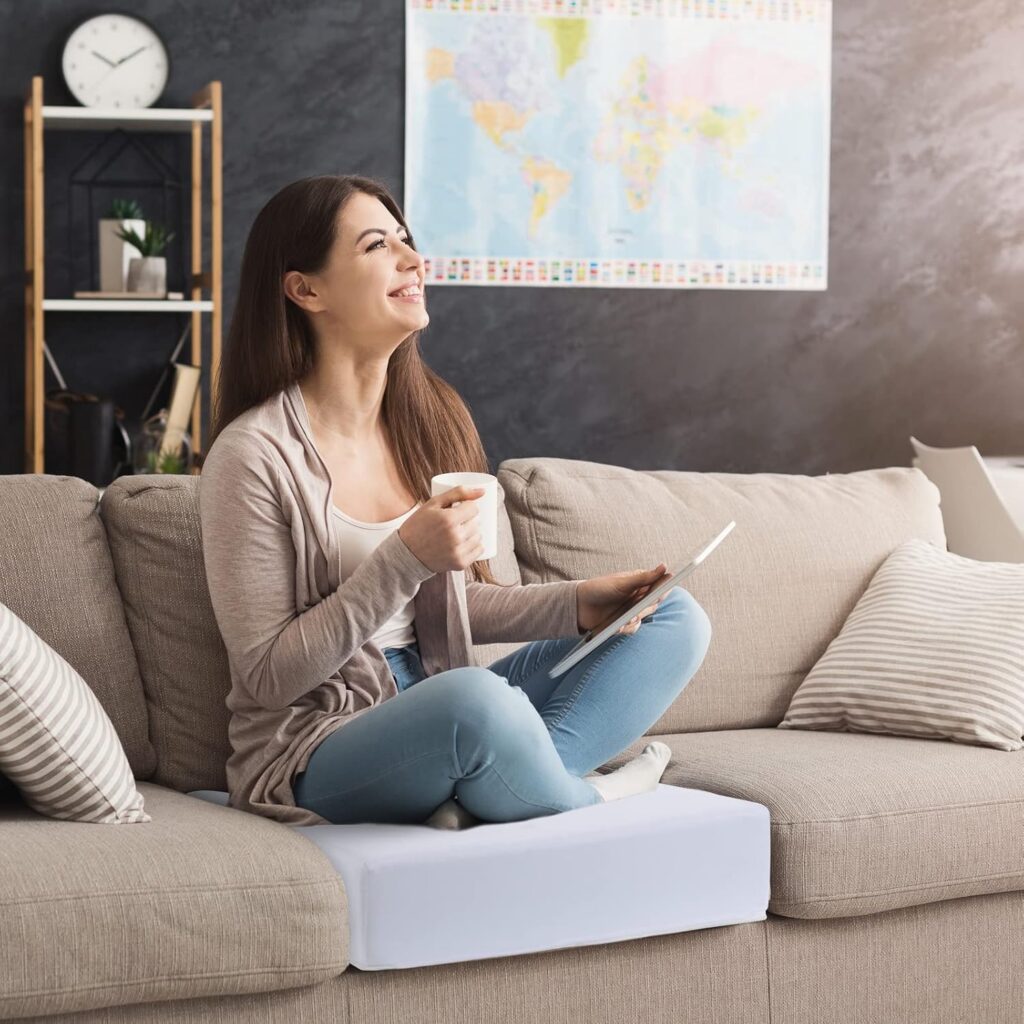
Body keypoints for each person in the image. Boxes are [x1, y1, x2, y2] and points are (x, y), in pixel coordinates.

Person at [198, 174, 713, 831]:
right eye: (377, 245)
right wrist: (403, 559)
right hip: (317, 746)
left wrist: (580, 604)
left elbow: (452, 605)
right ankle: (589, 795)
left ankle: (496, 790)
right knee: (474, 701)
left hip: (438, 702)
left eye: (406, 240)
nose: (412, 259)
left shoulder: (429, 419)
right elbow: (269, 676)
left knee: (672, 618)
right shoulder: (252, 456)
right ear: (306, 290)